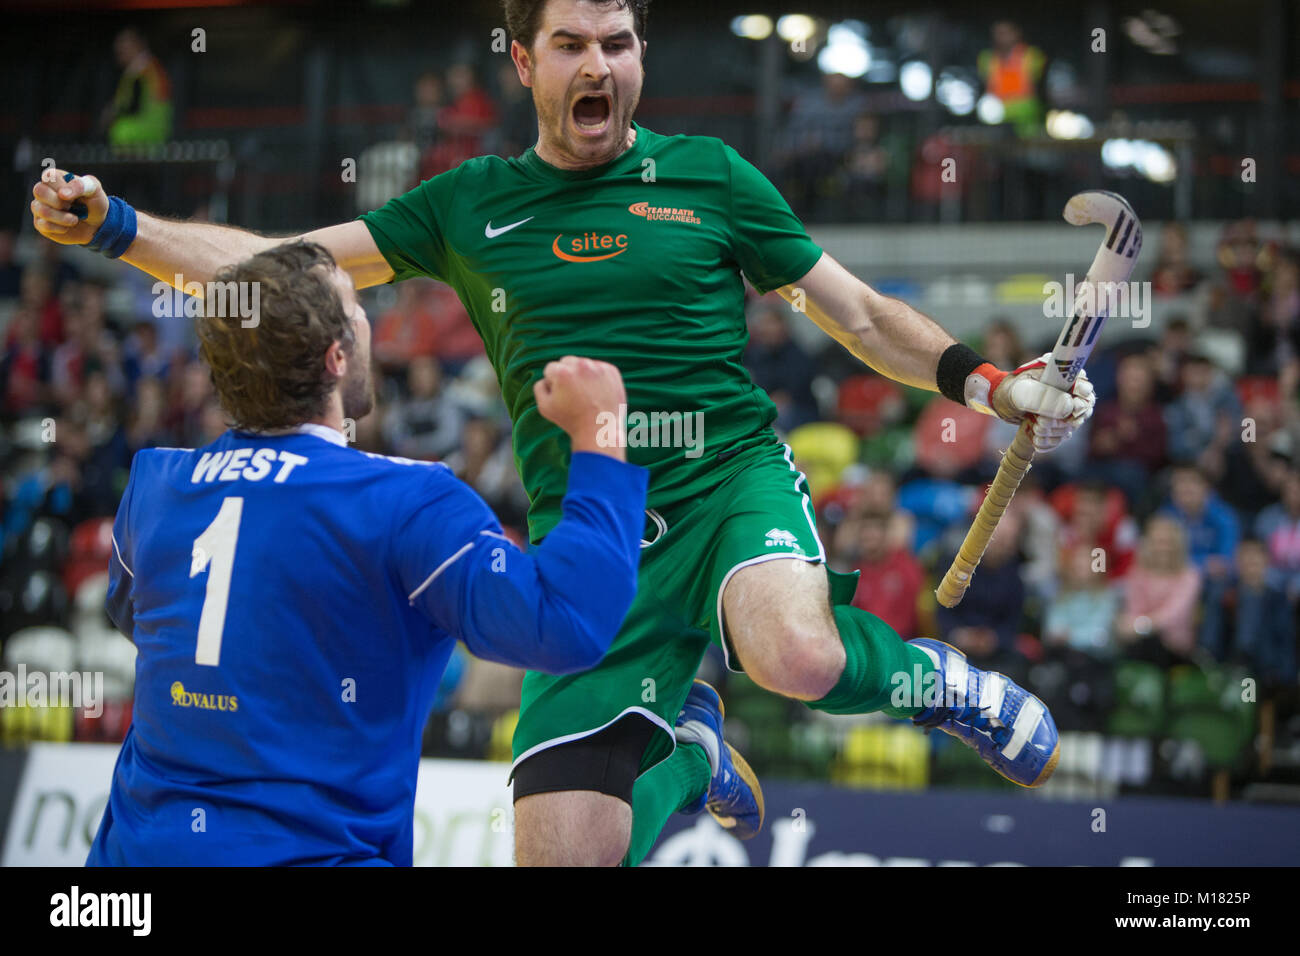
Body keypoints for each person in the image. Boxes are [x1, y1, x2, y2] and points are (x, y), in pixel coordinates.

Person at [32, 0, 1093, 867]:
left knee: (798, 653)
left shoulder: (711, 177)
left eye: (620, 43)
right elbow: (275, 267)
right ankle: (684, 744)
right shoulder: (465, 205)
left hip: (727, 485)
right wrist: (120, 229)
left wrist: (990, 382)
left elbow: (858, 314)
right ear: (523, 60)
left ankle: (936, 681)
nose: (602, 66)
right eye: (574, 45)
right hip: (594, 532)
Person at [84, 240, 648, 865]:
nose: (368, 317)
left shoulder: (155, 485)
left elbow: (146, 623)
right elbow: (568, 623)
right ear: (335, 358)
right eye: (356, 305)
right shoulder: (406, 501)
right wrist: (600, 438)